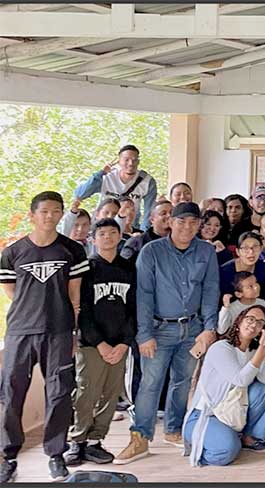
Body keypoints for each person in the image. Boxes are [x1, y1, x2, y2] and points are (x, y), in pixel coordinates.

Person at [115, 202, 220, 465]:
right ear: (170, 222)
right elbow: (144, 295)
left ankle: (173, 430)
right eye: (181, 221)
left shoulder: (206, 251)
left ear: (199, 225)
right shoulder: (151, 252)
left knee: (182, 381)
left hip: (193, 328)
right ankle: (140, 437)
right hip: (158, 329)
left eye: (193, 222)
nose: (187, 227)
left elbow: (210, 290)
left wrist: (209, 328)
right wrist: (144, 334)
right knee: (150, 384)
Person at [0, 192, 88, 482]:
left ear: (62, 214)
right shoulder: (13, 253)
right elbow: (11, 291)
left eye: (56, 211)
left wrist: (73, 331)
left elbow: (74, 294)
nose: (50, 216)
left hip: (59, 331)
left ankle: (55, 454)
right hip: (20, 332)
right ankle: (8, 456)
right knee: (11, 393)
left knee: (59, 393)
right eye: (44, 211)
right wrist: (31, 308)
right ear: (32, 215)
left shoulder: (72, 250)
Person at [66, 218, 134, 467]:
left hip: (119, 345)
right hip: (92, 344)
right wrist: (100, 343)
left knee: (111, 393)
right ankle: (78, 440)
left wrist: (125, 343)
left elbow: (134, 308)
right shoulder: (86, 268)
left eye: (112, 232)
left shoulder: (128, 268)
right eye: (102, 233)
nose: (108, 237)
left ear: (119, 236)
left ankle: (96, 441)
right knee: (86, 392)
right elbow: (81, 309)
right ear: (93, 239)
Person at [183, 305, 265, 466]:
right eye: (250, 319)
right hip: (206, 415)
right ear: (239, 321)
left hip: (232, 412)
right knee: (227, 451)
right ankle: (208, 442)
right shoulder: (221, 348)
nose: (254, 324)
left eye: (260, 322)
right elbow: (240, 380)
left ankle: (249, 437)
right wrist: (263, 349)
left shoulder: (253, 351)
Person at [72, 145, 158, 231]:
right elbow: (80, 194)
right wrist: (101, 173)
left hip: (128, 228)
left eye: (134, 160)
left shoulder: (147, 181)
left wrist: (144, 233)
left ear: (138, 161)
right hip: (102, 225)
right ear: (119, 161)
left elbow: (149, 212)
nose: (131, 163)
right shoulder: (107, 177)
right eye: (126, 160)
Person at [220, 232, 265, 324]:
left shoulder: (264, 267)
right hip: (233, 317)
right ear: (238, 252)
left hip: (261, 314)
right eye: (245, 248)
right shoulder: (225, 271)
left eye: (255, 247)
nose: (251, 252)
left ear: (261, 249)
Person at [217, 271, 265, 336]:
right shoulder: (232, 308)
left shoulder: (262, 303)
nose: (256, 287)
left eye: (256, 282)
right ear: (238, 294)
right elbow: (221, 330)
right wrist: (225, 308)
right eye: (250, 286)